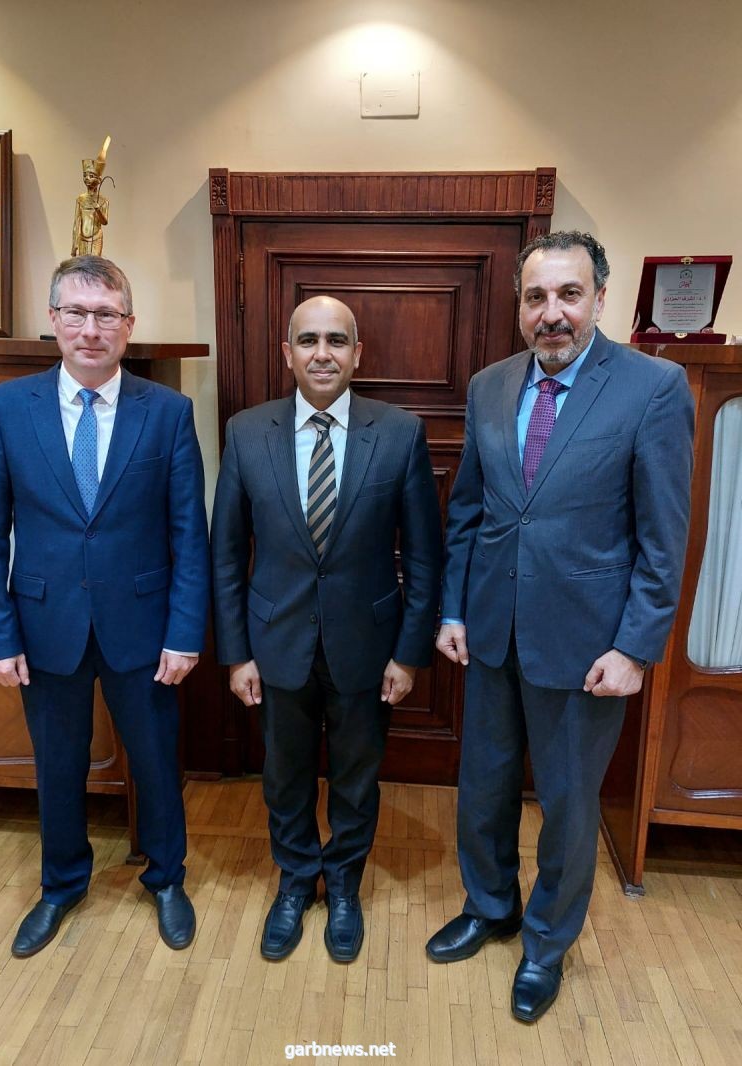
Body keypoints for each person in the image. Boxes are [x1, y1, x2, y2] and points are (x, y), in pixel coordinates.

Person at [426, 231, 694, 1022]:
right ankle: (490, 907)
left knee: (570, 808)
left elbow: (664, 537)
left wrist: (635, 647)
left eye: (569, 294)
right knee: (483, 789)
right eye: (536, 296)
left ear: (599, 298)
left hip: (588, 648)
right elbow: (468, 511)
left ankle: (545, 943)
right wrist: (452, 607)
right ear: (519, 305)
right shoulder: (490, 386)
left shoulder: (654, 387)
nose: (552, 313)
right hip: (491, 633)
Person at [0, 256, 209, 958]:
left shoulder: (167, 413)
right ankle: (62, 884)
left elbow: (188, 533)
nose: (90, 328)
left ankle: (166, 878)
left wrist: (185, 632)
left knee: (156, 761)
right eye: (76, 312)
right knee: (58, 764)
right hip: (45, 626)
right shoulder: (8, 408)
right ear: (54, 320)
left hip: (144, 626)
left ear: (129, 325)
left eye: (106, 314)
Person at [211, 295, 441, 963]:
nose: (322, 353)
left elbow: (424, 555)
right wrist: (236, 654)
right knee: (283, 776)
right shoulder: (246, 432)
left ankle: (343, 884)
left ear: (357, 353)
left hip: (367, 646)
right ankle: (293, 882)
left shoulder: (398, 433)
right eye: (308, 340)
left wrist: (409, 653)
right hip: (274, 643)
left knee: (356, 778)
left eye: (336, 340)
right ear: (287, 353)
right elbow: (226, 552)